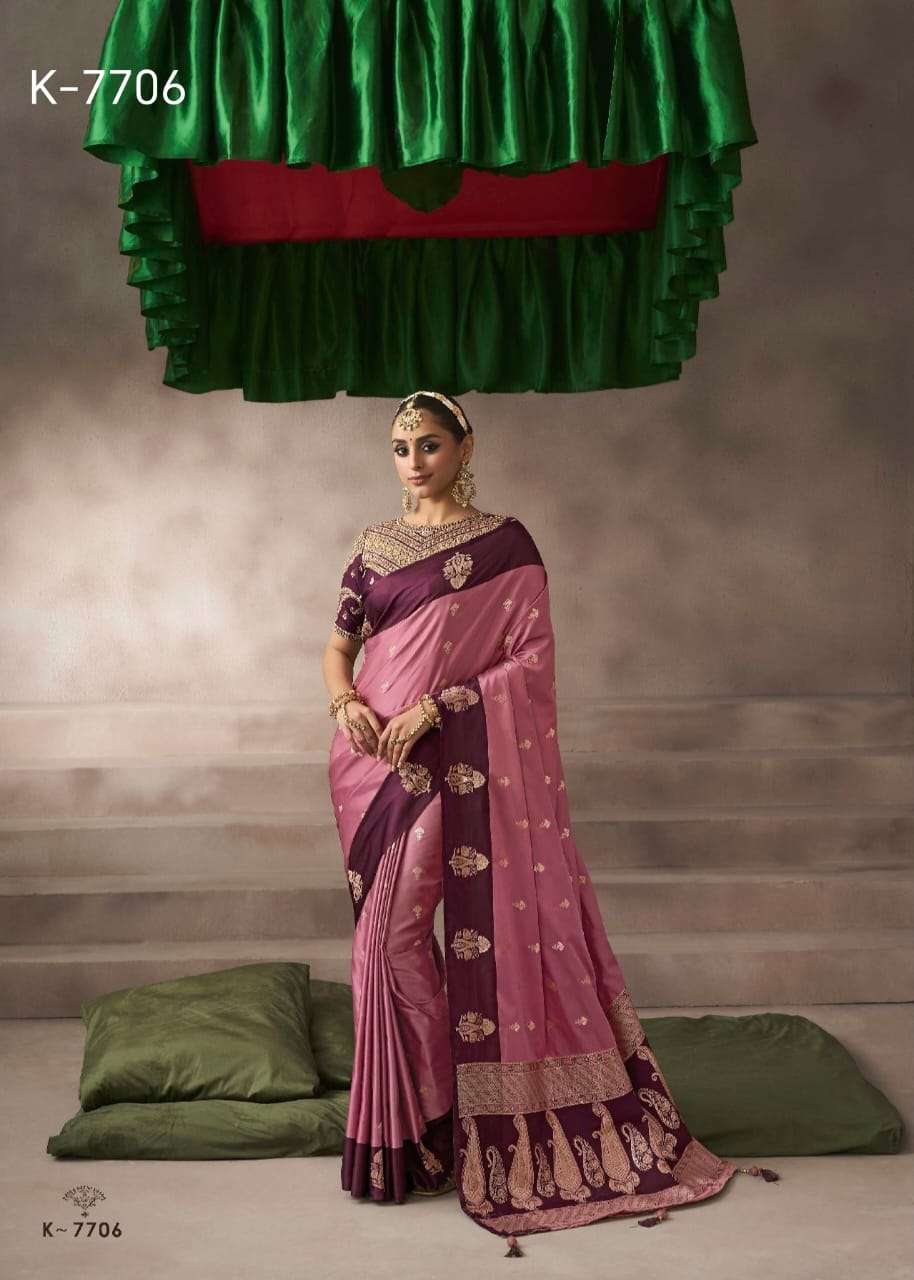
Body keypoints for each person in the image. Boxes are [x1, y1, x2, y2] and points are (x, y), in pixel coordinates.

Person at [322, 390, 777, 1242]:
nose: (413, 461)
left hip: (447, 760)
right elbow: (339, 644)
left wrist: (441, 706)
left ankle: (437, 1116)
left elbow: (531, 662)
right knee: (386, 945)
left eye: (429, 444)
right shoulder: (370, 547)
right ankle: (422, 1121)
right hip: (367, 765)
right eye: (400, 447)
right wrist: (344, 700)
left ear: (465, 448)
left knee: (391, 938)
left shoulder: (505, 546)